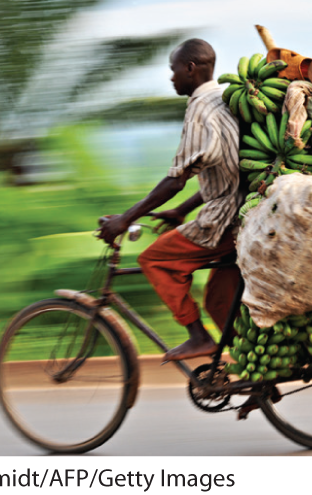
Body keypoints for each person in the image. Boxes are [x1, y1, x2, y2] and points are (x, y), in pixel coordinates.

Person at [97, 38, 244, 362]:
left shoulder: (200, 108)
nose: (171, 77)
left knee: (155, 261)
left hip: (226, 218)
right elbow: (222, 169)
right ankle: (256, 370)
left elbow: (176, 179)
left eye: (173, 69)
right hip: (246, 214)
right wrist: (181, 211)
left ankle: (197, 337)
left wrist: (126, 218)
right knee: (219, 302)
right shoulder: (223, 98)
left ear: (190, 68)